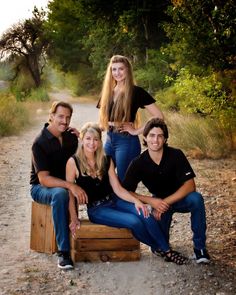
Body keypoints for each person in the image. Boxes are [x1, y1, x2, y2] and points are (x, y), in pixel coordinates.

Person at [66, 122, 188, 265]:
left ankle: (164, 249)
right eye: (88, 138)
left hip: (114, 200)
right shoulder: (73, 162)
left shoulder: (106, 160)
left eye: (95, 139)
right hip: (97, 209)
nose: (92, 143)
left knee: (144, 212)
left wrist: (137, 201)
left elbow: (118, 188)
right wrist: (74, 218)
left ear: (100, 141)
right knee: (134, 221)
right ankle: (165, 250)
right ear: (82, 139)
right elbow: (70, 194)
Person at [123, 117, 211, 264]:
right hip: (159, 203)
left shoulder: (176, 155)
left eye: (159, 136)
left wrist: (164, 202)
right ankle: (161, 243)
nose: (155, 140)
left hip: (179, 199)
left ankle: (200, 248)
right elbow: (126, 191)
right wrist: (151, 201)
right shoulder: (138, 163)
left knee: (196, 198)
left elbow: (190, 186)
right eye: (151, 135)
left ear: (165, 139)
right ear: (144, 137)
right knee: (159, 247)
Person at [30, 101, 88, 270]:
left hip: (64, 186)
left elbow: (84, 161)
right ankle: (63, 252)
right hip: (41, 189)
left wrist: (82, 138)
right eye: (61, 116)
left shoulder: (70, 139)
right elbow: (44, 179)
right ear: (52, 116)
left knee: (69, 189)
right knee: (61, 193)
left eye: (68, 117)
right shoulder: (39, 142)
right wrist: (70, 186)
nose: (65, 121)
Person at [97, 55, 164, 182]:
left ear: (127, 70)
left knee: (124, 182)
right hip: (109, 140)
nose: (117, 73)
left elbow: (159, 117)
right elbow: (103, 124)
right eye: (114, 69)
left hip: (126, 142)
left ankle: (134, 202)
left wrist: (136, 131)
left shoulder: (136, 92)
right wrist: (85, 132)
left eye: (121, 69)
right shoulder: (108, 92)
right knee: (103, 177)